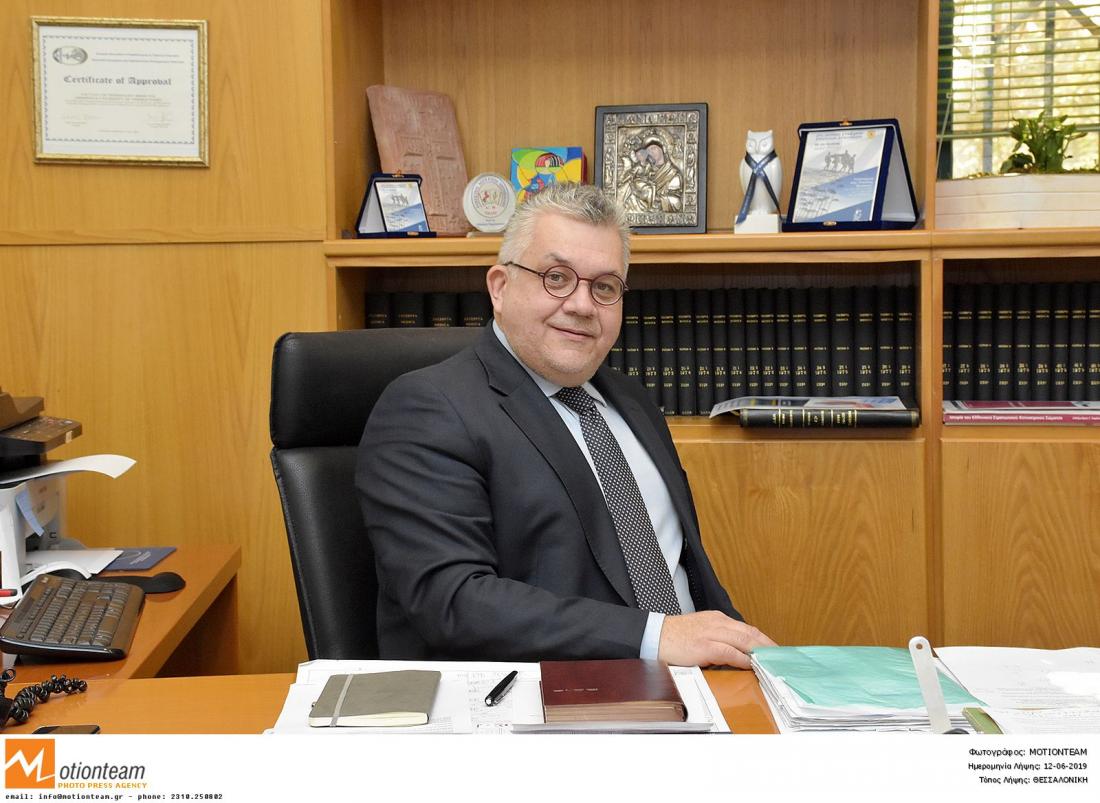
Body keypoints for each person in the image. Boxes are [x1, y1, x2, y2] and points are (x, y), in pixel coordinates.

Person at [356, 182, 774, 667]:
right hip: (548, 695)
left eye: (604, 287)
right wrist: (655, 637)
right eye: (556, 278)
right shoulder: (429, 407)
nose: (581, 305)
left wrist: (745, 659)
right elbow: (453, 600)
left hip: (702, 684)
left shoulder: (632, 401)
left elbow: (683, 570)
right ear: (500, 286)